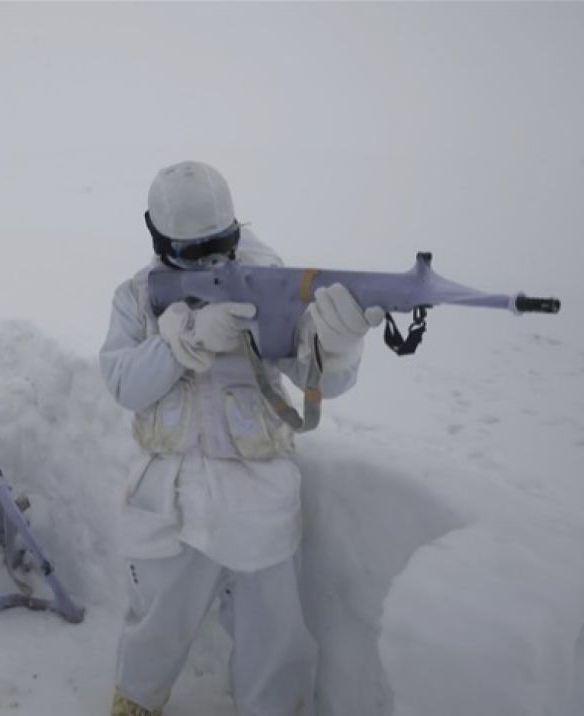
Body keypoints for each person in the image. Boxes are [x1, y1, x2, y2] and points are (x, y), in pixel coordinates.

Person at [100, 161, 384, 716]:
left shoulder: (270, 279)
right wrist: (181, 342)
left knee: (273, 631)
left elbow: (316, 378)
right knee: (159, 619)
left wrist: (338, 345)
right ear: (160, 242)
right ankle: (135, 701)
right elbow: (122, 383)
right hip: (173, 492)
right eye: (189, 253)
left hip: (258, 490)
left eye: (218, 246)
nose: (207, 263)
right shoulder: (138, 295)